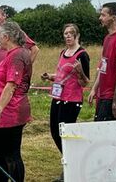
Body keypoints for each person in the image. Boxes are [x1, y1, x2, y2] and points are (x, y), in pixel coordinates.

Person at [0, 21, 32, 182]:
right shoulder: (13, 54)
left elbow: (11, 85)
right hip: (5, 114)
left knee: (10, 155)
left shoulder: (17, 55)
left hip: (10, 114)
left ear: (6, 37)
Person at [41, 24, 90, 155]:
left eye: (71, 33)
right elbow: (62, 75)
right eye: (65, 33)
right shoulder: (63, 52)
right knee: (54, 131)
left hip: (72, 99)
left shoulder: (82, 55)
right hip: (58, 96)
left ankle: (72, 161)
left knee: (65, 133)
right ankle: (69, 159)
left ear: (77, 35)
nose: (68, 36)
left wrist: (80, 72)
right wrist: (50, 76)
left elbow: (85, 82)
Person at [0, 7, 39, 86]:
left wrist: (24, 68)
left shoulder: (14, 31)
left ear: (4, 16)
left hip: (10, 77)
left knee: (8, 97)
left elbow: (35, 49)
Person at [88, 2, 116, 121]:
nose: (100, 18)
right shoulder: (107, 38)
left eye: (103, 15)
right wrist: (94, 89)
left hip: (111, 97)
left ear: (113, 18)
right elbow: (103, 66)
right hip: (103, 95)